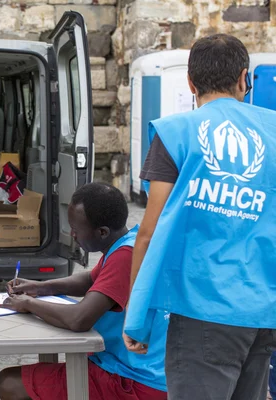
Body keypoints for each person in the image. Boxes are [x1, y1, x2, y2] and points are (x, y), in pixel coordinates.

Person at [123, 34, 276, 400]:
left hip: (203, 309)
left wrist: (136, 315)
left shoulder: (177, 133)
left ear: (190, 83)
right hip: (263, 311)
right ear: (244, 79)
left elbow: (148, 232)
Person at [0, 183, 168, 400]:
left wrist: (27, 304)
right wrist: (40, 287)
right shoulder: (126, 244)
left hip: (134, 381)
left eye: (76, 229)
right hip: (132, 368)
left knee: (9, 383)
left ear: (102, 232)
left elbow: (79, 320)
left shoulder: (125, 257)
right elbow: (91, 279)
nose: (72, 235)